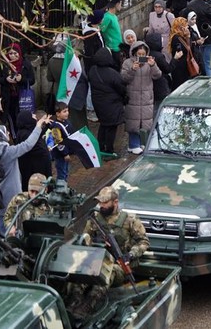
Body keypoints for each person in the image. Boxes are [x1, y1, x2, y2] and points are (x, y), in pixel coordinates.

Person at [69, 186, 149, 320]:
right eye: (100, 203)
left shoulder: (129, 220)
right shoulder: (94, 219)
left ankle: (87, 307)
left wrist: (130, 254)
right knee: (79, 274)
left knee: (107, 272)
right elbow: (84, 240)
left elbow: (144, 241)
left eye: (105, 203)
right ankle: (73, 304)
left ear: (115, 202)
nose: (101, 206)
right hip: (96, 259)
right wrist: (95, 242)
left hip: (118, 266)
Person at [0, 118, 49, 232]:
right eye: (6, 132)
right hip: (11, 194)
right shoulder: (8, 152)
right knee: (13, 223)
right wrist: (38, 127)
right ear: (2, 136)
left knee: (2, 220)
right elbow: (28, 144)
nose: (8, 134)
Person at [121, 41, 162, 155]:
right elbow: (124, 78)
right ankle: (133, 145)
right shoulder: (127, 63)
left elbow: (158, 75)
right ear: (134, 53)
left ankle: (141, 143)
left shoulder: (149, 63)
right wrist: (132, 69)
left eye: (143, 54)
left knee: (145, 122)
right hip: (133, 96)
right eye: (139, 54)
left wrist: (153, 65)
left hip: (146, 97)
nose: (141, 56)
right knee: (133, 122)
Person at [88, 47, 127, 156]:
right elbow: (121, 88)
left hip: (98, 103)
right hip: (112, 104)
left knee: (103, 125)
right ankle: (109, 150)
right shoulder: (112, 73)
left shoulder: (92, 70)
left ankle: (100, 146)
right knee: (111, 127)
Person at [0, 43, 35, 134]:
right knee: (12, 119)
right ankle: (15, 137)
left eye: (15, 53)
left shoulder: (25, 64)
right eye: (10, 53)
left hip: (22, 97)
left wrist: (22, 79)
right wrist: (6, 80)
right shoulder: (3, 64)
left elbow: (32, 80)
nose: (13, 56)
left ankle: (26, 135)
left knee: (24, 117)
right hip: (9, 97)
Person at [15, 110, 51, 192]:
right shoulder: (24, 133)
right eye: (31, 116)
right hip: (33, 168)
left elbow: (38, 134)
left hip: (37, 166)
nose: (34, 117)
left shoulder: (28, 130)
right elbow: (35, 146)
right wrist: (44, 150)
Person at [169, 17, 200, 90]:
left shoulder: (183, 37)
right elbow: (185, 50)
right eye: (185, 26)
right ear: (180, 27)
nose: (187, 27)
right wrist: (188, 38)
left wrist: (188, 37)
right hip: (180, 68)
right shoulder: (176, 38)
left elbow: (190, 49)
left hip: (185, 67)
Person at [48, 103, 73, 182]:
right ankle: (61, 188)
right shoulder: (56, 127)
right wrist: (65, 154)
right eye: (64, 111)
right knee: (62, 173)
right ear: (58, 114)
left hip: (67, 152)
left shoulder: (66, 121)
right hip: (60, 154)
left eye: (67, 111)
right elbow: (58, 142)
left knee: (66, 171)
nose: (67, 113)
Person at [101, 0, 123, 68]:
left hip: (118, 46)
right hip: (112, 48)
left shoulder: (114, 16)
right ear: (117, 4)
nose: (121, 6)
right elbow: (101, 30)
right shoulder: (107, 17)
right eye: (120, 4)